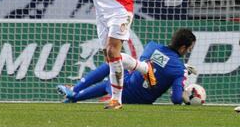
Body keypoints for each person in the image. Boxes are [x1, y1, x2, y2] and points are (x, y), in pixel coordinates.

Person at [57, 28, 197, 105]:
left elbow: (161, 64)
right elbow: (176, 99)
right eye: (190, 48)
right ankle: (73, 96)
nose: (189, 51)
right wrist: (182, 93)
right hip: (138, 100)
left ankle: (75, 91)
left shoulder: (151, 47)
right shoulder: (179, 70)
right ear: (183, 48)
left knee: (112, 67)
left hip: (127, 89)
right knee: (115, 70)